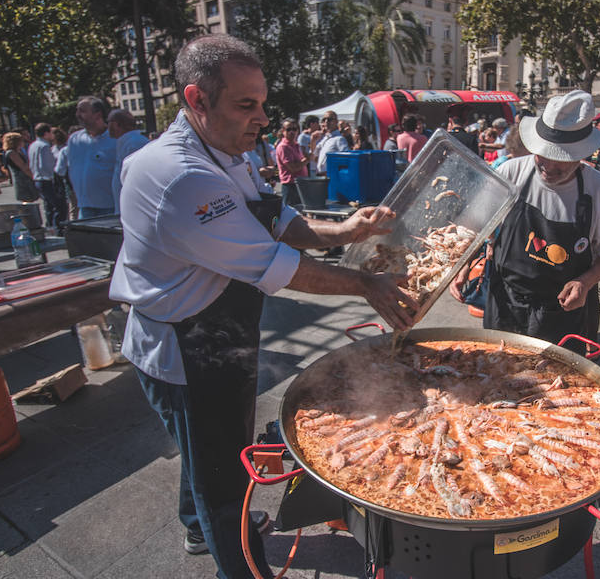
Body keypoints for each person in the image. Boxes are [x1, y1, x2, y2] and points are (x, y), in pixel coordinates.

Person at [109, 35, 417, 579]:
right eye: (245, 105)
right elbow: (275, 263)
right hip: (187, 350)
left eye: (262, 103)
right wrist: (366, 284)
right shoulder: (181, 177)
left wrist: (345, 230)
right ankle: (238, 562)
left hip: (222, 336)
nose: (261, 119)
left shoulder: (229, 154)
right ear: (197, 99)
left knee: (208, 451)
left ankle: (194, 525)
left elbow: (274, 220)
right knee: (225, 482)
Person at [450, 90, 600, 354]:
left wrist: (586, 282)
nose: (549, 166)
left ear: (581, 155)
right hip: (505, 302)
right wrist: (462, 264)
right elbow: (475, 225)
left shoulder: (599, 190)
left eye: (562, 159)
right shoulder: (512, 172)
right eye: (543, 155)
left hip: (562, 312)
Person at [55, 96, 117, 218]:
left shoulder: (114, 139)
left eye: (82, 111)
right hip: (84, 207)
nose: (77, 114)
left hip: (111, 208)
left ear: (98, 115)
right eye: (77, 110)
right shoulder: (75, 139)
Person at [107, 109, 150, 214]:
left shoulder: (134, 144)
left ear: (117, 124)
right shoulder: (126, 142)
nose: (106, 126)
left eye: (108, 122)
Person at [28, 123, 62, 229]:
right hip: (46, 179)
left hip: (37, 179)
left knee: (48, 206)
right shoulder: (44, 146)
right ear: (46, 133)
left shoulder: (33, 145)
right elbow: (46, 164)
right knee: (58, 205)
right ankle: (57, 227)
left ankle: (50, 226)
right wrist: (54, 174)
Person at [275, 117, 308, 208]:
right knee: (291, 215)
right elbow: (293, 168)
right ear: (283, 131)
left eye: (294, 129)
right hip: (290, 186)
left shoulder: (296, 145)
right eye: (288, 129)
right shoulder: (283, 147)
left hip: (299, 184)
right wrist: (307, 160)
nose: (292, 132)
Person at [3, 132, 38, 203]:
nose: (23, 142)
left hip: (26, 178)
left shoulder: (18, 151)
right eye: (21, 140)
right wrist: (34, 177)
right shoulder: (11, 153)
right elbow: (23, 167)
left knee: (31, 199)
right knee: (27, 200)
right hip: (21, 180)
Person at [313, 110, 349, 175]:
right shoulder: (325, 138)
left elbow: (346, 160)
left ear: (336, 122)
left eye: (329, 119)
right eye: (324, 119)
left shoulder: (339, 139)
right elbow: (314, 157)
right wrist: (313, 140)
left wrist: (331, 172)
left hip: (330, 177)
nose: (326, 121)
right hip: (320, 176)